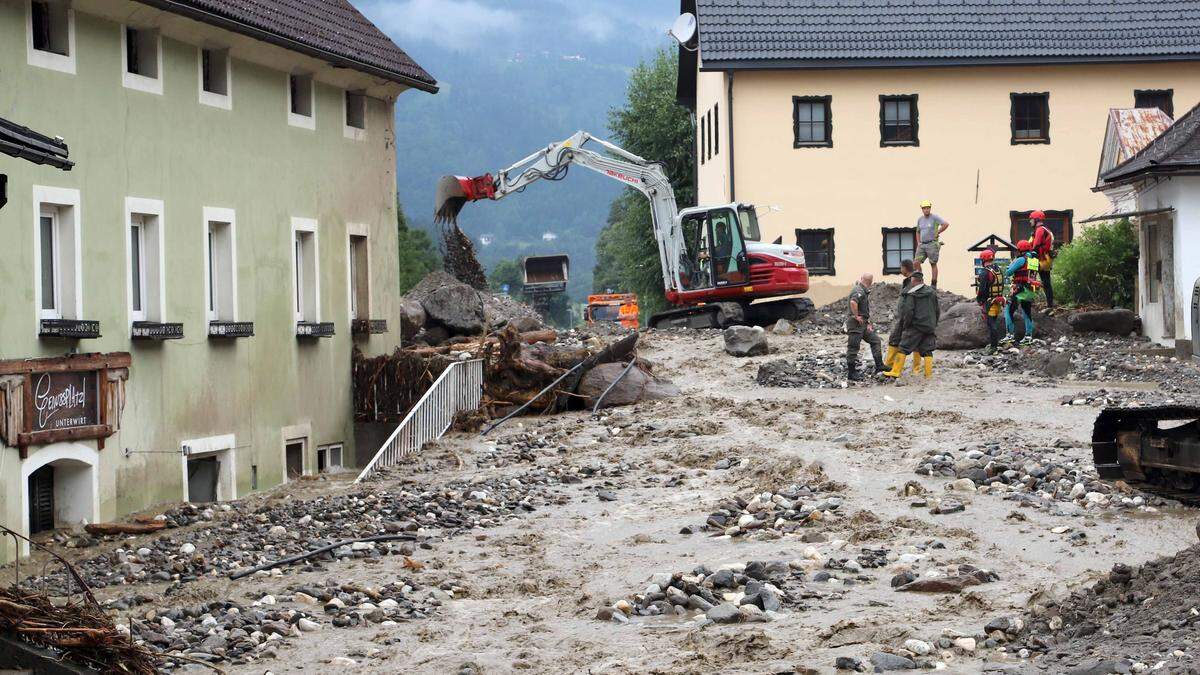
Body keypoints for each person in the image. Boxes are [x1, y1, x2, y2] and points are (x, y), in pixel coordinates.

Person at [884, 270, 940, 379]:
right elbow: (937, 310)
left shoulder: (912, 294)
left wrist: (906, 325)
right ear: (922, 280)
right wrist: (934, 323)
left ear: (913, 281)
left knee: (903, 347)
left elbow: (909, 311)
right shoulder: (932, 292)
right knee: (927, 350)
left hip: (916, 326)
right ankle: (928, 375)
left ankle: (895, 371)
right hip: (930, 326)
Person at [846, 273, 885, 381]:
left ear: (862, 279)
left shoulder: (863, 291)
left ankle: (879, 365)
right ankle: (851, 372)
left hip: (863, 324)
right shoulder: (858, 290)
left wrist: (867, 323)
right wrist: (856, 316)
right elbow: (853, 302)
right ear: (871, 282)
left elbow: (862, 308)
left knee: (875, 340)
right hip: (855, 324)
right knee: (853, 347)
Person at [1003, 240, 1040, 346]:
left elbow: (1008, 272)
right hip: (1030, 289)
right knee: (1026, 312)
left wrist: (1011, 265)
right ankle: (1028, 337)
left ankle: (1009, 336)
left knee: (1008, 310)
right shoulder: (1034, 259)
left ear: (1020, 250)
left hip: (1019, 288)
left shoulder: (1020, 259)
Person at [884, 259, 916, 368]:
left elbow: (910, 305)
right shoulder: (908, 281)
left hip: (907, 319)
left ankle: (892, 368)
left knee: (896, 340)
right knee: (898, 341)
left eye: (901, 267)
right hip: (904, 318)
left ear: (904, 268)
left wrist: (906, 321)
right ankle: (892, 367)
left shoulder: (912, 283)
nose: (900, 270)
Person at [975, 249, 1007, 354]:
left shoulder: (985, 272)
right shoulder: (998, 269)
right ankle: (994, 344)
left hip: (990, 302)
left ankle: (994, 347)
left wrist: (980, 300)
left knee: (991, 324)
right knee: (993, 322)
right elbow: (1000, 285)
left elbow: (983, 289)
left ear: (983, 260)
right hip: (998, 300)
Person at [915, 200, 950, 287]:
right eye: (924, 208)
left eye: (928, 208)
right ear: (922, 209)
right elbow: (917, 231)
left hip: (932, 244)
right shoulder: (920, 219)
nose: (926, 210)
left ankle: (933, 283)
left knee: (933, 263)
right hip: (922, 244)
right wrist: (918, 242)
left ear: (930, 208)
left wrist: (938, 232)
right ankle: (920, 281)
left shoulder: (934, 217)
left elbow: (945, 224)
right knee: (916, 262)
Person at [1027, 211, 1056, 308]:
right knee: (1046, 282)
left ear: (1036, 220)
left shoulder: (1039, 230)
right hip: (1046, 259)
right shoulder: (1046, 229)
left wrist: (1027, 257)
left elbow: (1035, 246)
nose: (1030, 221)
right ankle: (1050, 305)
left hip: (1038, 259)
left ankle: (1029, 304)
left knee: (1031, 280)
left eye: (1031, 219)